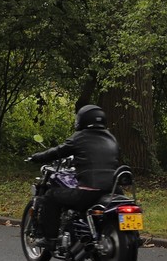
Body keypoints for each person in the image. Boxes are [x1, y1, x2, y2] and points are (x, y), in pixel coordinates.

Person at [26, 104, 122, 253]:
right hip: (114, 190)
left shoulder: (80, 137)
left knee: (51, 196)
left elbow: (58, 151)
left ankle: (49, 238)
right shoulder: (111, 138)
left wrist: (37, 157)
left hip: (89, 192)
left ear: (82, 120)